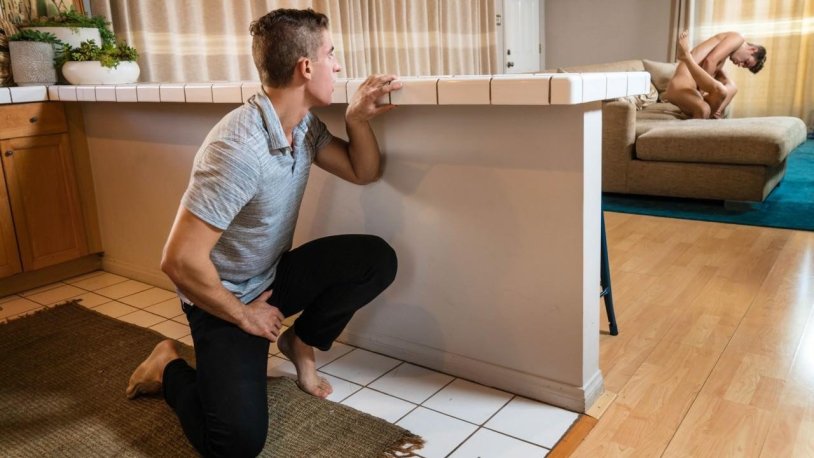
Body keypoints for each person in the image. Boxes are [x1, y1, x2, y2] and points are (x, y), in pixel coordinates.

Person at [124, 8, 402, 457]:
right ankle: (169, 366)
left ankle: (301, 343)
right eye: (331, 54)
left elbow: (361, 170)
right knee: (235, 444)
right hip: (223, 297)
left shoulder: (304, 127)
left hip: (269, 278)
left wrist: (357, 119)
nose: (338, 65)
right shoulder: (236, 148)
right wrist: (245, 316)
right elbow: (178, 261)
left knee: (375, 259)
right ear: (305, 67)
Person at [664, 30, 766, 119]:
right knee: (704, 109)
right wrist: (702, 92)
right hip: (682, 85)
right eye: (746, 62)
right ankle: (709, 112)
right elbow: (710, 61)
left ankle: (714, 113)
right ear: (753, 49)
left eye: (744, 65)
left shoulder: (725, 53)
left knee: (732, 87)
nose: (740, 64)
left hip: (692, 87)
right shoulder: (737, 37)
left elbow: (716, 72)